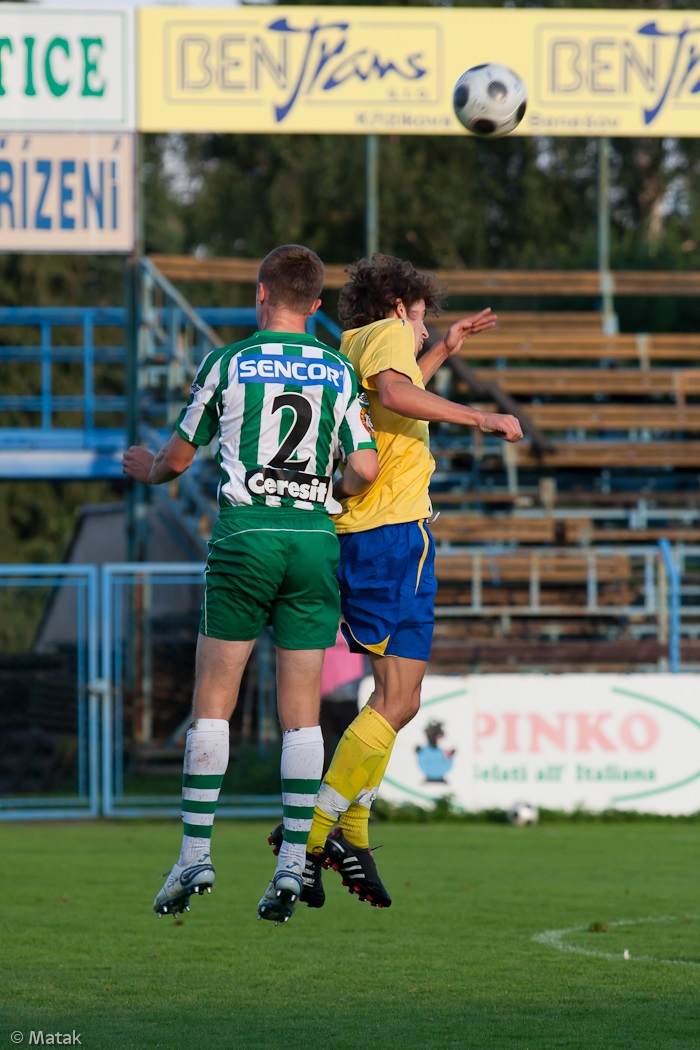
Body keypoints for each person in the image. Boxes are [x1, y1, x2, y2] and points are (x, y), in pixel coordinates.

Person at [122, 244, 378, 925]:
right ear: (316, 305)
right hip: (312, 541)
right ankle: (294, 859)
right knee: (302, 712)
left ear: (261, 293)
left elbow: (177, 460)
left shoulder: (229, 363)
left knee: (215, 701)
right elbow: (366, 468)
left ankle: (195, 853)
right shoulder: (337, 370)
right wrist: (335, 487)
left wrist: (147, 466)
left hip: (245, 537)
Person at [294, 253, 524, 909]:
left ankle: (354, 834)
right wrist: (481, 417)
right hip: (389, 536)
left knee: (401, 700)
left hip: (383, 536)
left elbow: (392, 403)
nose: (423, 331)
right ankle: (312, 837)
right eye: (423, 318)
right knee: (396, 701)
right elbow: (396, 394)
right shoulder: (387, 337)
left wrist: (445, 351)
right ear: (399, 307)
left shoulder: (356, 344)